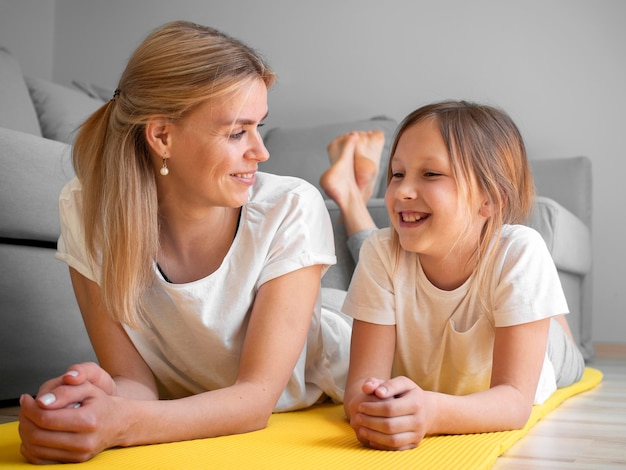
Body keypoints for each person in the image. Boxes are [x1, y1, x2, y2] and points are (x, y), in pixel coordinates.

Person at [18, 20, 352, 464]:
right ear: (161, 136)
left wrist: (121, 423)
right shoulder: (86, 211)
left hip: (331, 375)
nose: (261, 151)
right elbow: (134, 383)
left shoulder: (290, 207)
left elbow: (254, 401)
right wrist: (80, 404)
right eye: (238, 132)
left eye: (259, 127)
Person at [320, 101, 585, 451]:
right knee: (382, 245)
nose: (402, 191)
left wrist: (433, 413)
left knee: (568, 353)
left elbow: (515, 402)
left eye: (430, 174)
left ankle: (550, 315)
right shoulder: (380, 252)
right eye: (397, 174)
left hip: (548, 351)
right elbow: (361, 387)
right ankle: (353, 197)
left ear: (489, 200)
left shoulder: (519, 251)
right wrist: (372, 408)